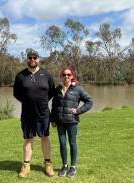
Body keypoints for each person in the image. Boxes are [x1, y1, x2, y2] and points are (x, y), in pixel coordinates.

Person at [13, 49, 55, 178]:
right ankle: (26, 166)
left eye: (35, 57)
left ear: (38, 59)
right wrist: (28, 102)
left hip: (43, 114)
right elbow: (16, 94)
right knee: (28, 139)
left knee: (45, 138)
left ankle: (48, 164)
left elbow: (51, 92)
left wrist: (41, 102)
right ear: (27, 59)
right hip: (27, 114)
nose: (32, 60)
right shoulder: (20, 76)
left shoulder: (46, 75)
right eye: (30, 58)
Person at [51, 67, 93, 178]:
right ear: (61, 76)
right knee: (62, 144)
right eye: (64, 74)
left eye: (68, 75)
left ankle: (73, 167)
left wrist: (78, 111)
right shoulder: (57, 89)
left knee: (72, 143)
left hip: (72, 121)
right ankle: (64, 166)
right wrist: (53, 120)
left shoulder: (78, 89)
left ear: (72, 76)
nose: (66, 76)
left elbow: (89, 102)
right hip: (60, 122)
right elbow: (54, 105)